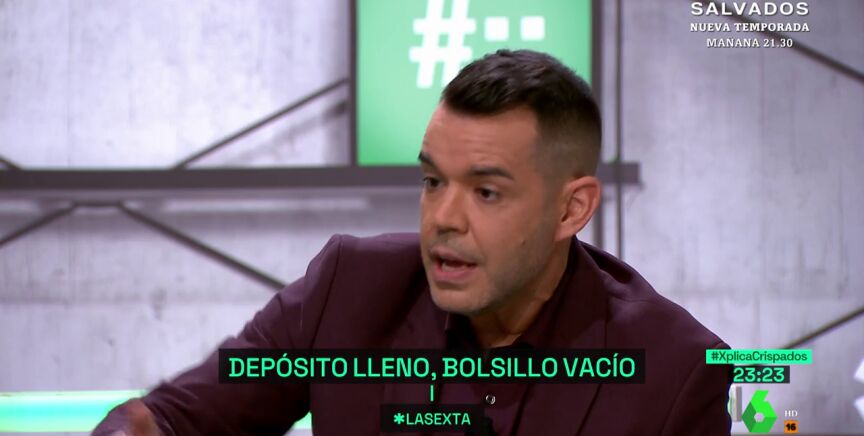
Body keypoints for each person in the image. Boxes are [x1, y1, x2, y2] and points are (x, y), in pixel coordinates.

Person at [94, 49, 731, 435]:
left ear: (572, 208)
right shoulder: (349, 291)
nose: (443, 218)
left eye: (486, 192)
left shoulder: (675, 371)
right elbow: (176, 417)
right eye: (432, 181)